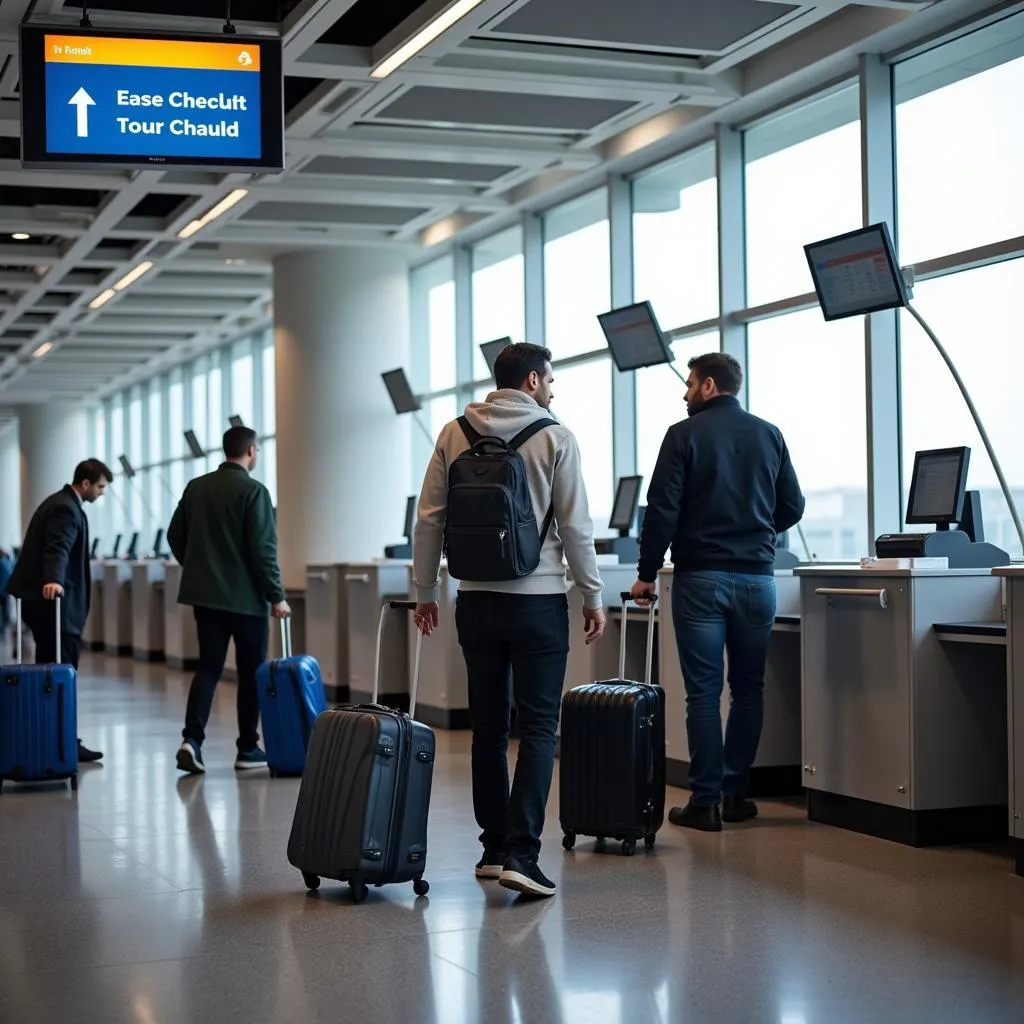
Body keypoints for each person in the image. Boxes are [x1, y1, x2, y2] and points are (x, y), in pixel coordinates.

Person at [413, 342, 607, 900]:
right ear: (530, 380)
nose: (552, 390)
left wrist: (427, 591)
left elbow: (428, 521)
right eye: (549, 380)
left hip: (474, 600)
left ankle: (493, 847)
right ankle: (523, 855)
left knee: (489, 730)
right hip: (538, 601)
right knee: (540, 729)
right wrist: (592, 597)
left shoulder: (455, 432)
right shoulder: (556, 436)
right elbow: (576, 527)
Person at [631, 353, 805, 832]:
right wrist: (756, 532)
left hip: (701, 580)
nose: (684, 393)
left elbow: (661, 509)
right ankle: (735, 794)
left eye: (689, 384)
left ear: (708, 385)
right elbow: (793, 505)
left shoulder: (682, 435)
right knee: (749, 690)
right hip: (757, 581)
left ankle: (704, 802)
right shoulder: (769, 433)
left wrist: (647, 573)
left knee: (703, 695)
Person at [168, 426, 289, 774]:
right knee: (251, 674)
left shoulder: (197, 488)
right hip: (247, 601)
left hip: (205, 599)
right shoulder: (254, 491)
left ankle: (192, 740)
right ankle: (247, 749)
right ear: (251, 451)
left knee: (208, 668)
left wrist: (198, 567)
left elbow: (174, 535)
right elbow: (263, 550)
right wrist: (276, 596)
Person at [4, 459, 113, 763]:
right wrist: (53, 579)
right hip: (55, 608)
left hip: (46, 606)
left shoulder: (62, 502)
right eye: (101, 486)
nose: (102, 493)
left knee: (51, 671)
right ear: (86, 483)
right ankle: (63, 740)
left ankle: (54, 736)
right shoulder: (66, 507)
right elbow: (58, 546)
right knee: (62, 670)